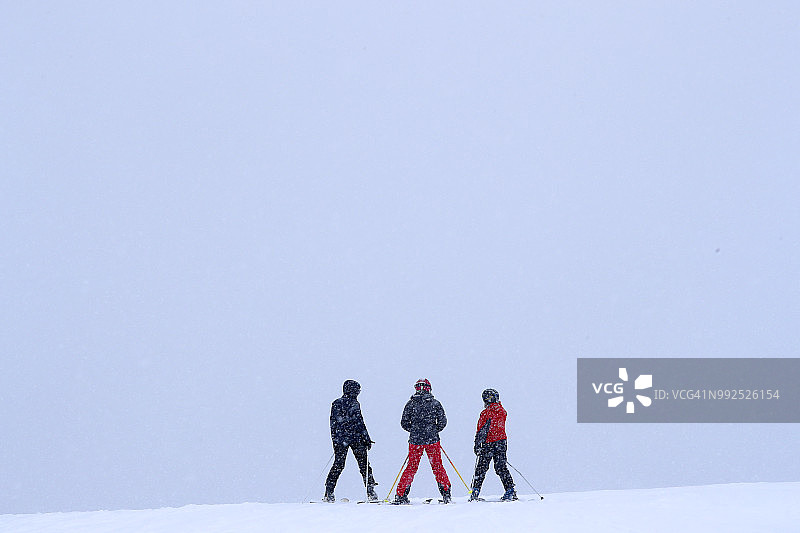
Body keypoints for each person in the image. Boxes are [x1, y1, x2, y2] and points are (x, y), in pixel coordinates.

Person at [393, 379, 451, 504]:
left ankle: (401, 494)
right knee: (437, 466)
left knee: (411, 467)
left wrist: (414, 430)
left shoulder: (411, 404)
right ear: (429, 388)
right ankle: (446, 493)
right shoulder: (435, 403)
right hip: (432, 439)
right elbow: (443, 421)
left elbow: (404, 422)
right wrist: (433, 430)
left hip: (415, 440)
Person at [323, 379, 378, 502]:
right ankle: (371, 491)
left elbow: (333, 424)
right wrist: (366, 438)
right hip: (355, 438)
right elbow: (359, 422)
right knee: (364, 465)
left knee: (339, 465)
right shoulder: (354, 404)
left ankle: (329, 492)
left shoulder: (337, 403)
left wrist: (336, 441)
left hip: (342, 438)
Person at [469, 388, 517, 501]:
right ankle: (510, 490)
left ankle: (475, 491)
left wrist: (477, 444)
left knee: (481, 467)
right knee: (501, 466)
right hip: (501, 442)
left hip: (488, 443)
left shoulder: (485, 413)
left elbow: (481, 429)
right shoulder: (502, 411)